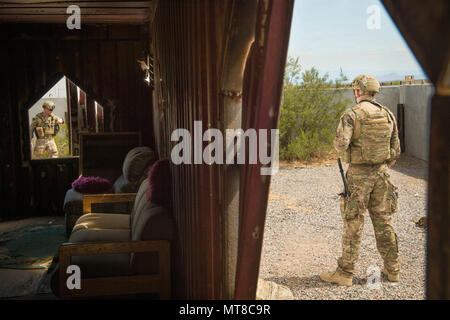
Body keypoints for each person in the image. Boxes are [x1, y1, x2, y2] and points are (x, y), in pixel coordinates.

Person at [320, 74, 401, 286]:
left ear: (357, 91)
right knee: (384, 222)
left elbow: (340, 144)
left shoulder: (351, 115)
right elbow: (396, 150)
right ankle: (393, 270)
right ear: (373, 92)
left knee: (353, 223)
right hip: (382, 175)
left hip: (358, 176)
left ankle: (345, 273)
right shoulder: (387, 114)